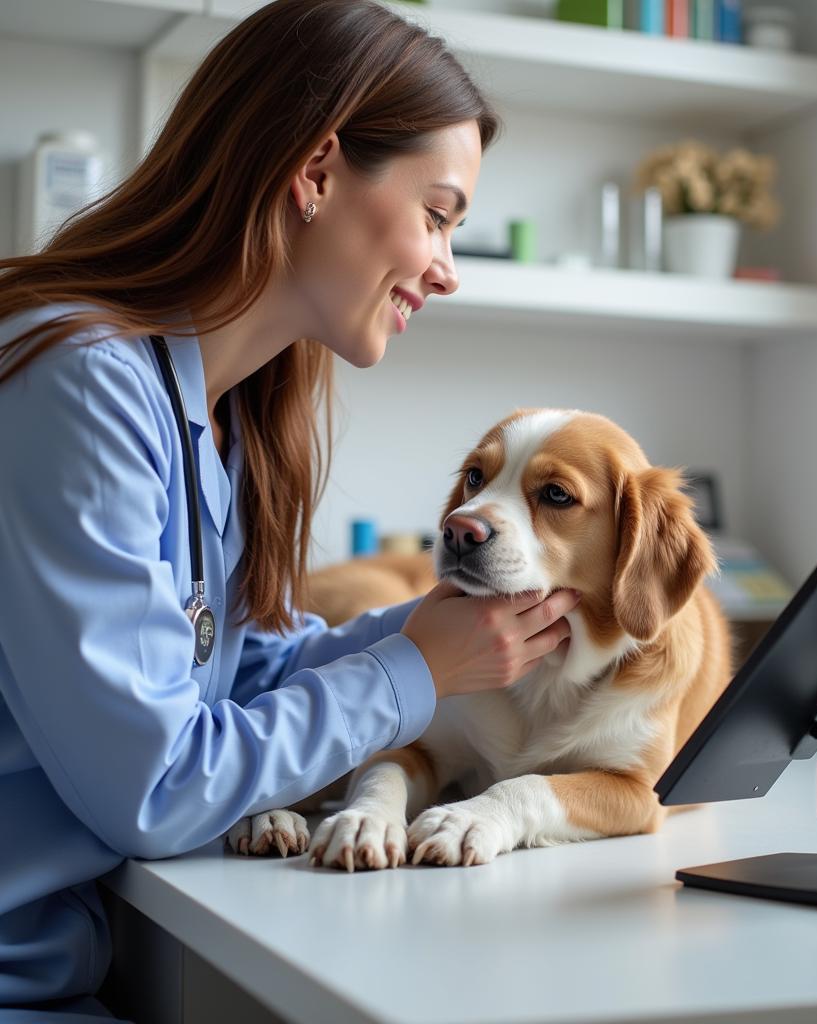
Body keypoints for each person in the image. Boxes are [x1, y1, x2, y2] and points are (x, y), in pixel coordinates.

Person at [0, 0, 580, 1017]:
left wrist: (446, 630)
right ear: (314, 173)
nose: (445, 268)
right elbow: (158, 784)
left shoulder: (223, 418)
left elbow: (243, 669)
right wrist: (420, 665)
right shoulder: (81, 383)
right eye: (437, 215)